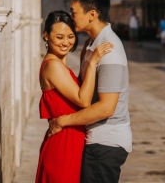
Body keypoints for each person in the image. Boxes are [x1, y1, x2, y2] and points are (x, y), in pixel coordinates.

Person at [48, 0, 131, 183]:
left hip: (106, 143)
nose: (71, 16)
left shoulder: (109, 51)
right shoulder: (91, 45)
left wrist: (63, 121)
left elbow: (106, 108)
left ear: (92, 15)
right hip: (94, 138)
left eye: (74, 12)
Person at [35, 10, 113, 183]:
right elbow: (83, 100)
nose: (66, 42)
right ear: (46, 35)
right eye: (60, 37)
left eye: (70, 36)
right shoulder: (53, 66)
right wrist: (92, 62)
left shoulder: (59, 65)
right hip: (62, 147)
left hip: (70, 143)